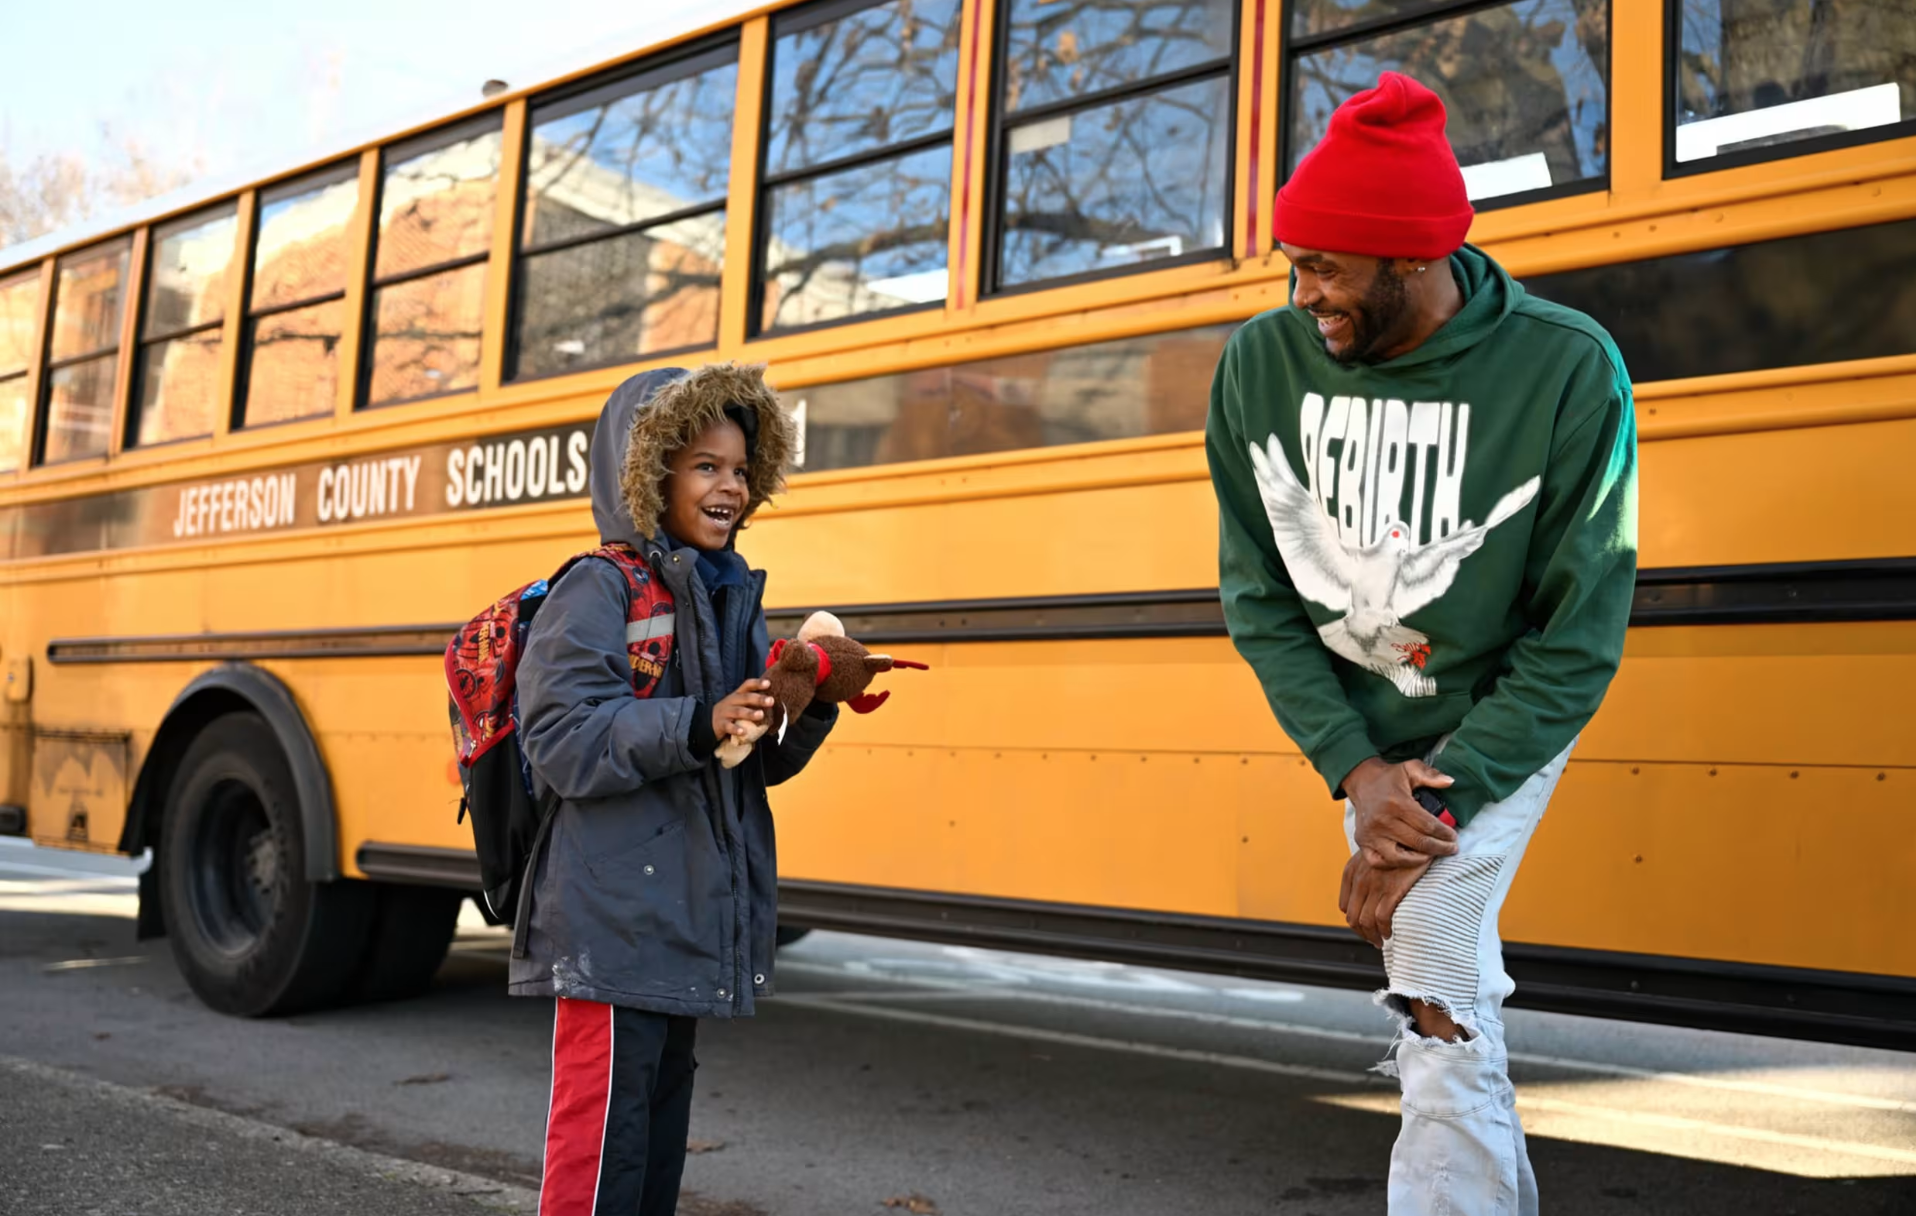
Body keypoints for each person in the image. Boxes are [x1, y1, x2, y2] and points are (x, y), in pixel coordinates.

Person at [1206, 73, 1637, 1214]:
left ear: (1411, 258)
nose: (1302, 293)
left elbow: (1575, 633)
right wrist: (1359, 773)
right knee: (1443, 990)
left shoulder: (1565, 366)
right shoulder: (1260, 365)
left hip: (1500, 715)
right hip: (1369, 735)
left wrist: (1430, 811)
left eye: (1325, 268)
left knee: (1432, 942)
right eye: (1293, 265)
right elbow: (1260, 597)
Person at [511, 363, 835, 1216]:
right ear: (649, 473)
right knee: (601, 1147)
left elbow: (745, 760)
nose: (731, 487)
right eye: (705, 466)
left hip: (681, 917)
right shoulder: (597, 586)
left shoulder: (727, 594)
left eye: (741, 469)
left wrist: (808, 708)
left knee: (653, 1148)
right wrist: (697, 721)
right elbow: (562, 740)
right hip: (611, 923)